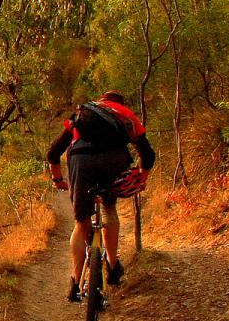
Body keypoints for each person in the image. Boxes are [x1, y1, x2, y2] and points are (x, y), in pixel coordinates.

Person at [46, 90, 155, 302]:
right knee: (109, 208)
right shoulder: (127, 115)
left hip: (80, 161)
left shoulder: (83, 111)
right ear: (120, 102)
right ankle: (113, 266)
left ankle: (75, 282)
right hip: (113, 161)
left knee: (81, 222)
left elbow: (53, 152)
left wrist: (58, 179)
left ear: (101, 100)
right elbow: (147, 154)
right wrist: (142, 178)